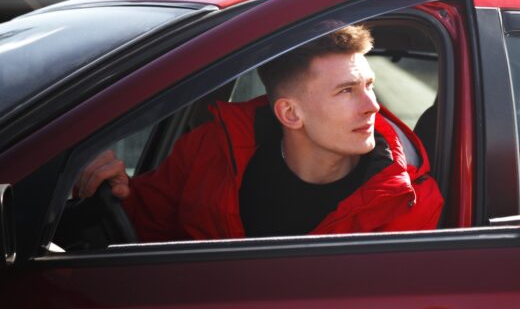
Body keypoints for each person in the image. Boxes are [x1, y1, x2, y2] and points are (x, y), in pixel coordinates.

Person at [74, 25, 444, 241]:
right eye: (347, 91)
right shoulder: (210, 151)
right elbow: (146, 227)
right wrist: (116, 191)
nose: (373, 106)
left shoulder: (409, 201)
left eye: (369, 85)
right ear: (290, 113)